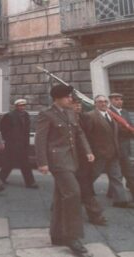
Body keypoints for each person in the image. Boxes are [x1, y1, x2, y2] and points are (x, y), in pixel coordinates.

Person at [36, 85, 94, 256]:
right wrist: (42, 162)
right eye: (68, 97)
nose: (71, 99)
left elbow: (79, 133)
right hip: (58, 161)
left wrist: (88, 151)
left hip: (72, 160)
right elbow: (40, 140)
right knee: (73, 194)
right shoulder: (47, 114)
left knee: (61, 197)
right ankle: (72, 237)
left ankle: (57, 235)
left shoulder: (71, 112)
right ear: (58, 98)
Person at [85, 95, 134, 208]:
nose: (103, 103)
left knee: (116, 177)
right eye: (100, 102)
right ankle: (79, 194)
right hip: (99, 153)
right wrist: (90, 151)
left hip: (114, 152)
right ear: (95, 103)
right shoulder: (90, 116)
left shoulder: (111, 115)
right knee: (92, 176)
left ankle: (120, 201)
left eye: (105, 101)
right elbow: (87, 135)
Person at [71, 96, 107, 226]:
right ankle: (95, 214)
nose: (78, 107)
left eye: (79, 104)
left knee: (84, 185)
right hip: (70, 159)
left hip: (85, 158)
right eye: (75, 104)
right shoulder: (66, 119)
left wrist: (92, 153)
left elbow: (91, 136)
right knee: (76, 186)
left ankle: (94, 214)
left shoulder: (85, 118)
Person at [0, 99, 39, 189]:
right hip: (12, 144)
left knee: (21, 163)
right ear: (16, 106)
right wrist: (8, 140)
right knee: (12, 163)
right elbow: (3, 129)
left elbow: (26, 130)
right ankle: (0, 178)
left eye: (24, 105)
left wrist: (26, 143)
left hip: (23, 143)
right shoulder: (9, 116)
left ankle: (30, 182)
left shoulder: (26, 115)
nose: (22, 107)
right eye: (20, 106)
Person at [108, 93, 134, 199]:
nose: (120, 101)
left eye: (121, 99)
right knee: (127, 171)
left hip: (125, 146)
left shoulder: (125, 112)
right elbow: (115, 129)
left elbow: (130, 125)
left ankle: (111, 192)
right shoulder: (108, 112)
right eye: (117, 99)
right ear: (111, 101)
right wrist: (129, 131)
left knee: (117, 171)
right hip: (114, 146)